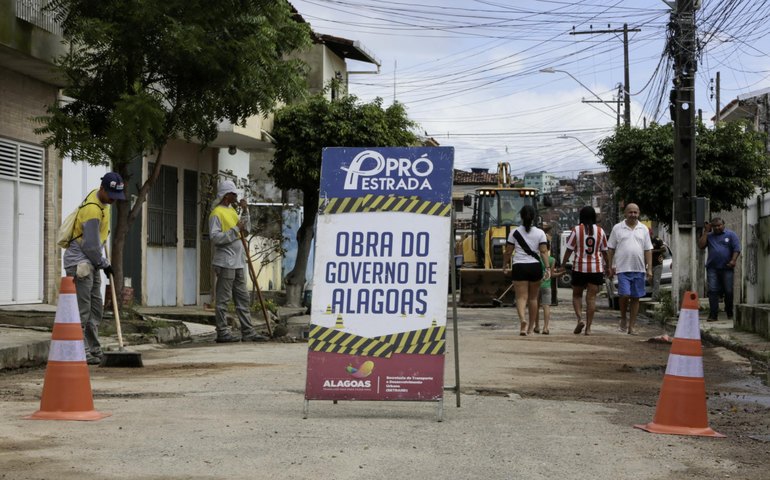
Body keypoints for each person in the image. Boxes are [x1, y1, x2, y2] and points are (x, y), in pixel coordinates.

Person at [63, 172, 125, 365]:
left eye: (117, 197)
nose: (114, 200)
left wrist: (100, 260)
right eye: (111, 196)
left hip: (92, 260)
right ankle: (80, 350)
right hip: (80, 263)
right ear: (102, 189)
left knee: (95, 307)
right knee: (83, 309)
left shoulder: (102, 203)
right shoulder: (91, 210)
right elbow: (89, 245)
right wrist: (105, 263)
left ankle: (93, 348)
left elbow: (96, 241)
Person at [209, 180, 268, 343]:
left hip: (239, 262)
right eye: (234, 194)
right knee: (223, 299)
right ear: (227, 195)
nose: (236, 197)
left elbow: (245, 231)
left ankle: (248, 331)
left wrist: (245, 211)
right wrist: (236, 229)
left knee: (243, 298)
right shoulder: (216, 214)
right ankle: (222, 332)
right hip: (226, 262)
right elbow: (215, 238)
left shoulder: (233, 211)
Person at [559, 206, 608, 336]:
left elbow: (569, 249)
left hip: (579, 267)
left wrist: (563, 265)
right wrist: (608, 266)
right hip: (596, 268)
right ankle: (589, 328)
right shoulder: (600, 231)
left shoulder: (576, 230)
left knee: (577, 295)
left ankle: (580, 319)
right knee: (591, 299)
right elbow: (605, 251)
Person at [502, 205, 550, 336]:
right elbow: (544, 251)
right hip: (535, 267)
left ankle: (523, 322)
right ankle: (530, 328)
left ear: (521, 217)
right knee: (533, 299)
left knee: (521, 298)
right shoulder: (540, 233)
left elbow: (508, 252)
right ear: (534, 217)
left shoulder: (514, 232)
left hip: (519, 267)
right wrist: (548, 268)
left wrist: (505, 265)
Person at [606, 203, 653, 335]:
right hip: (622, 269)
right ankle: (623, 318)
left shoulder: (643, 229)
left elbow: (648, 249)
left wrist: (649, 268)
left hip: (639, 269)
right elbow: (610, 249)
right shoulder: (617, 228)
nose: (633, 215)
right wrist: (609, 266)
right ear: (625, 213)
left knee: (636, 297)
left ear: (639, 213)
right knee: (624, 294)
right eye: (630, 212)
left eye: (635, 212)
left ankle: (631, 326)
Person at [698, 217, 741, 322]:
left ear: (723, 225)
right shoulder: (709, 236)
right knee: (712, 291)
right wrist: (706, 231)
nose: (717, 228)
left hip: (727, 267)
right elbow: (701, 245)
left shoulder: (731, 235)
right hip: (712, 268)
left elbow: (737, 249)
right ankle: (713, 315)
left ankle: (729, 311)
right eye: (715, 226)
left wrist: (733, 260)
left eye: (719, 225)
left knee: (728, 291)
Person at [532, 242, 558, 335]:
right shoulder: (552, 260)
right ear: (549, 249)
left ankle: (537, 326)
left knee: (536, 306)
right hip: (547, 286)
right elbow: (552, 275)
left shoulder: (536, 259)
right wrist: (560, 274)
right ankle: (546, 328)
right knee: (546, 306)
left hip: (536, 285)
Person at [650, 231, 666, 301]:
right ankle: (658, 295)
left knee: (656, 281)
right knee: (650, 280)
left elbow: (664, 249)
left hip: (658, 263)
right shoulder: (646, 241)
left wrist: (654, 251)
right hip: (651, 264)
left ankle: (655, 297)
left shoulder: (657, 240)